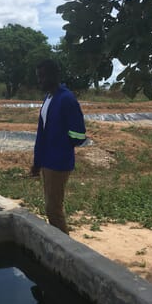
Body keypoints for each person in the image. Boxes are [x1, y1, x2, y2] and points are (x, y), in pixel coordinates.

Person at [31, 59, 86, 234]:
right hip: (47, 161)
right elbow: (43, 133)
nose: (39, 81)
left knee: (53, 209)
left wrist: (61, 147)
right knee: (51, 207)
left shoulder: (66, 99)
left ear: (53, 76)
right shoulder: (48, 98)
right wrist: (37, 162)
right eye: (38, 77)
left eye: (42, 77)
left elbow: (78, 134)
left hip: (59, 162)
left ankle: (66, 248)